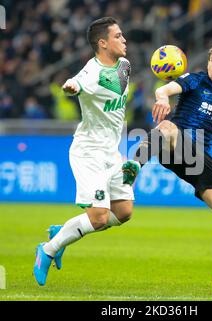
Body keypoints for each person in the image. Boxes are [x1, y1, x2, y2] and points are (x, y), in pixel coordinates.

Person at [122, 43, 212, 291]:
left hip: (198, 160)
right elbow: (166, 89)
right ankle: (134, 164)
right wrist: (162, 98)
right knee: (168, 127)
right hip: (174, 146)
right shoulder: (195, 80)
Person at [33, 17, 134, 286]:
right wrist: (71, 87)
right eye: (118, 36)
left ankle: (65, 231)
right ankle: (48, 249)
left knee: (124, 212)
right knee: (99, 218)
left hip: (111, 152)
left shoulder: (124, 66)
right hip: (89, 152)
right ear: (102, 43)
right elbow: (76, 82)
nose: (124, 40)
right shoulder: (91, 72)